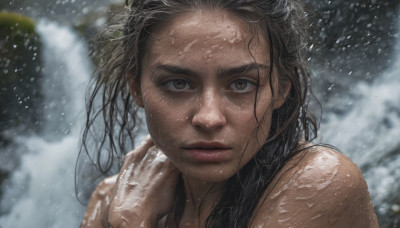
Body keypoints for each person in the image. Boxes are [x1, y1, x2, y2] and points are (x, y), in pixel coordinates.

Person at [78, 0, 378, 227]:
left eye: (241, 84)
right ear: (137, 88)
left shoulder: (320, 181)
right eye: (178, 83)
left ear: (281, 88)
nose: (209, 118)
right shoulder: (111, 197)